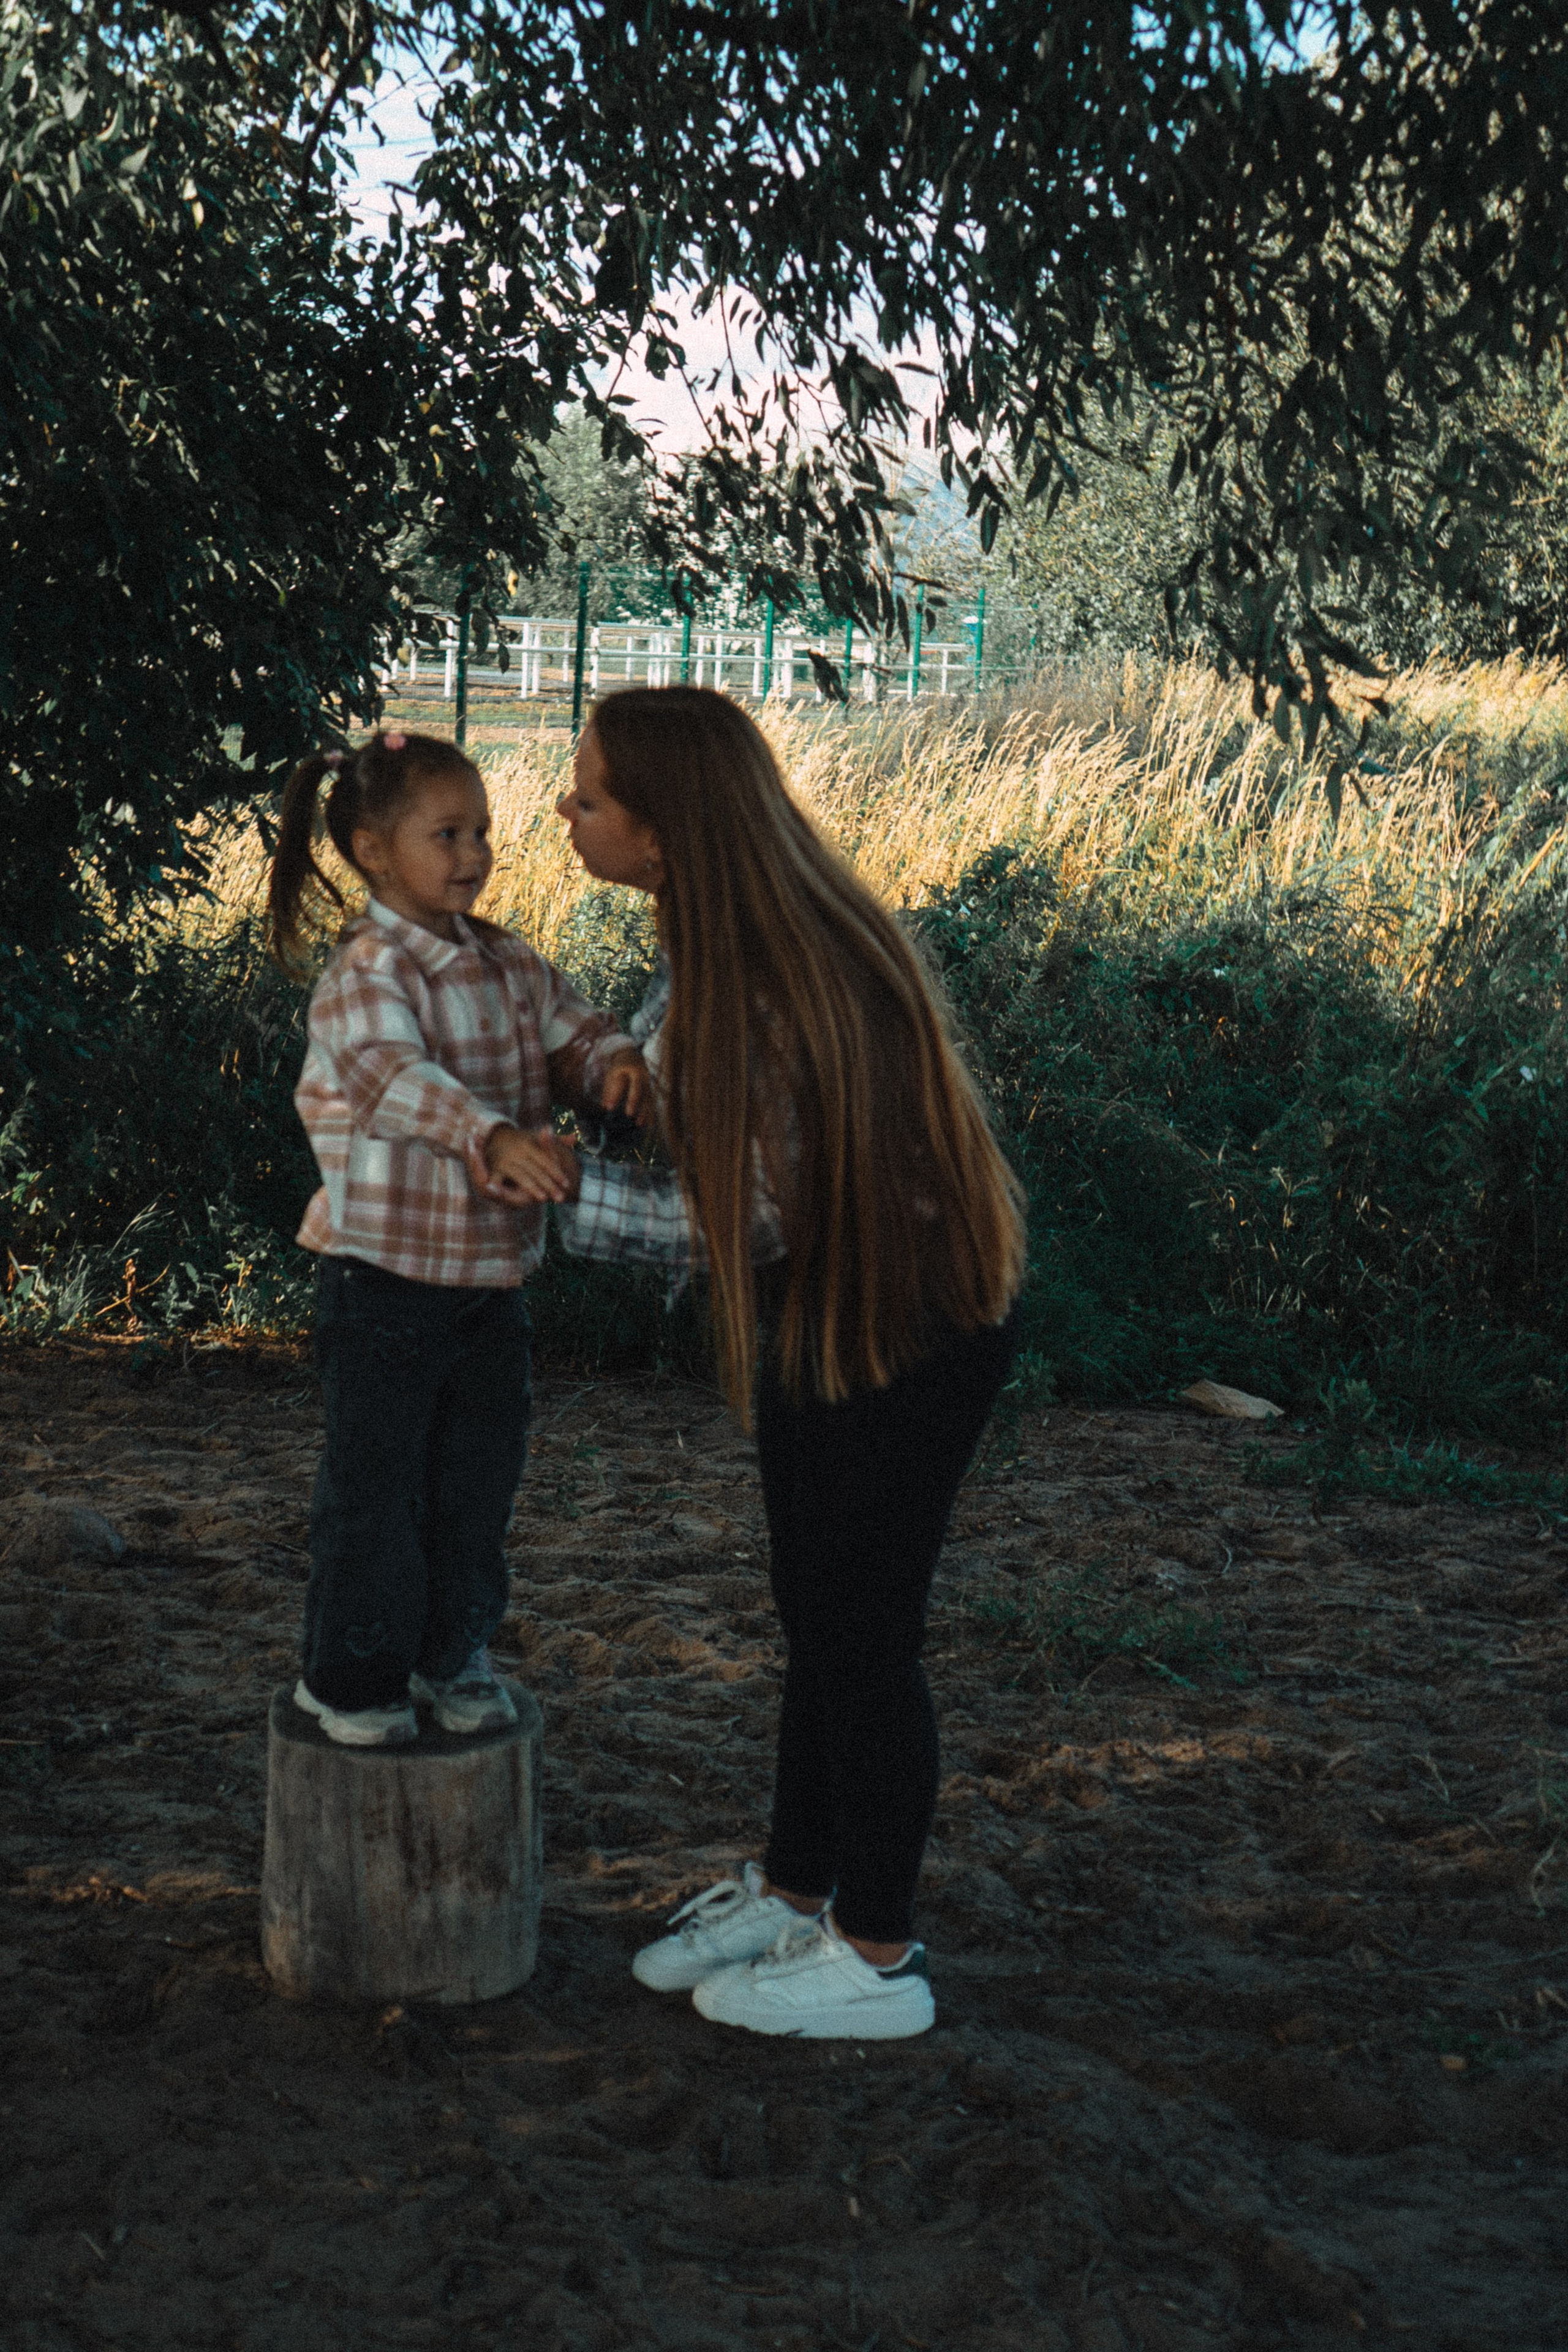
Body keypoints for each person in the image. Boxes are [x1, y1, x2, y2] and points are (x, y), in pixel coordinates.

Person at [554, 687, 1026, 2040]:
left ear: (662, 824)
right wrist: (613, 1075)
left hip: (904, 1330)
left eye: (587, 796)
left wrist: (537, 1199)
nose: (567, 814)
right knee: (815, 1605)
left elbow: (734, 1223)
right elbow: (677, 1082)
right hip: (834, 1320)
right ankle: (796, 1887)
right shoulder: (725, 933)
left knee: (860, 1632)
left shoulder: (754, 976)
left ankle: (875, 1955)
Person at [268, 728, 649, 1749]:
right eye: (447, 834)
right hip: (382, 1283)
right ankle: (349, 1679)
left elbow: (574, 1028)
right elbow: (393, 1080)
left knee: (474, 1488)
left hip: (490, 1287)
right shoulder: (369, 971)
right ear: (371, 849)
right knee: (375, 1493)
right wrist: (490, 1134)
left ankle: (450, 1657)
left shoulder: (507, 959)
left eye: (482, 831)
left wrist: (614, 1063)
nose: (475, 854)